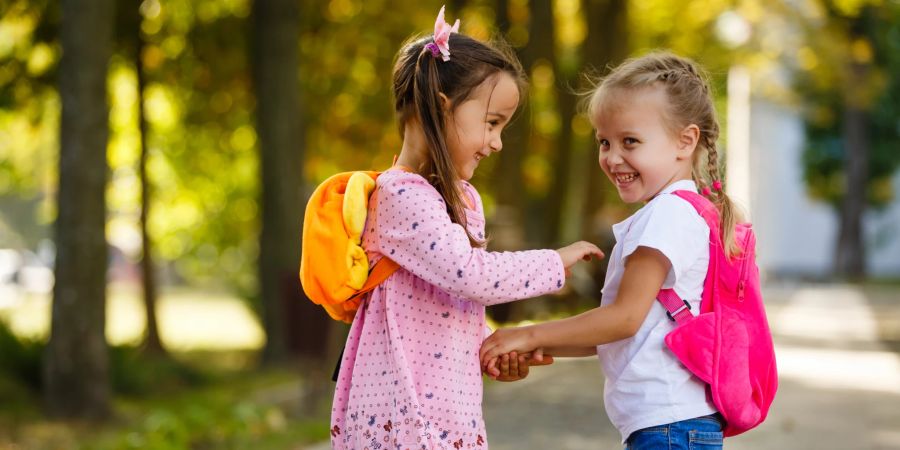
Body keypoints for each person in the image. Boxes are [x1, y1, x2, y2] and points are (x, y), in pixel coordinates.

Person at [329, 7, 604, 450]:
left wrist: (488, 347)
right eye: (492, 123)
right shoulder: (401, 194)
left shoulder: (455, 197)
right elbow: (469, 275)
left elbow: (444, 302)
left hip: (441, 409)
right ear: (441, 108)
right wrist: (553, 262)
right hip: (403, 414)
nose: (496, 142)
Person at [480, 52, 746, 450]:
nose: (612, 157)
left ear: (685, 141)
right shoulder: (678, 211)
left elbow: (622, 320)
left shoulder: (668, 214)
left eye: (630, 141)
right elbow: (615, 334)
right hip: (671, 425)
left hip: (668, 429)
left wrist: (528, 332)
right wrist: (525, 343)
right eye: (605, 142)